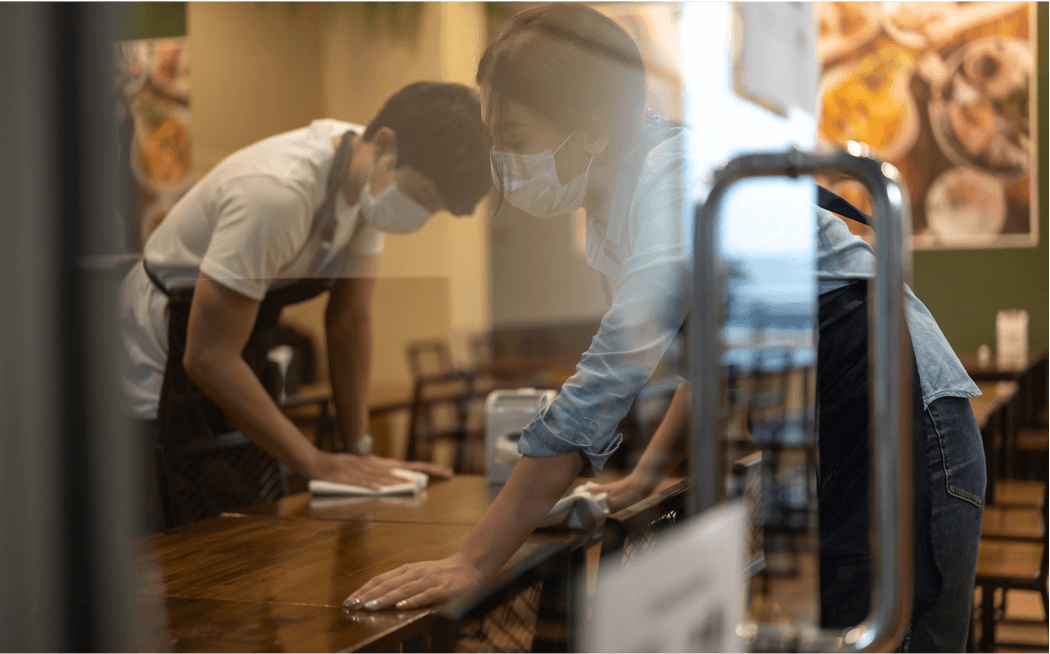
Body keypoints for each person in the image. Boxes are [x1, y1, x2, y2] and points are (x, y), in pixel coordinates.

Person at [345, 6, 985, 652]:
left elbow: (599, 390)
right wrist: (643, 476)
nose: (503, 159)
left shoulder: (672, 181)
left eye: (512, 134)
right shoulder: (611, 214)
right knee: (844, 629)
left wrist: (474, 560)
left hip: (892, 408)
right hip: (825, 421)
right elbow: (699, 360)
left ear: (590, 131)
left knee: (888, 639)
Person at [119, 81, 490, 528]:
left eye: (432, 209)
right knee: (171, 526)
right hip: (158, 355)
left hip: (232, 347)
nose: (417, 215)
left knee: (240, 521)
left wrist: (359, 453)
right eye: (420, 198)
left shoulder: (368, 179)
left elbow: (350, 320)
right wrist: (316, 462)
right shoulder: (277, 193)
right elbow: (208, 356)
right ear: (386, 143)